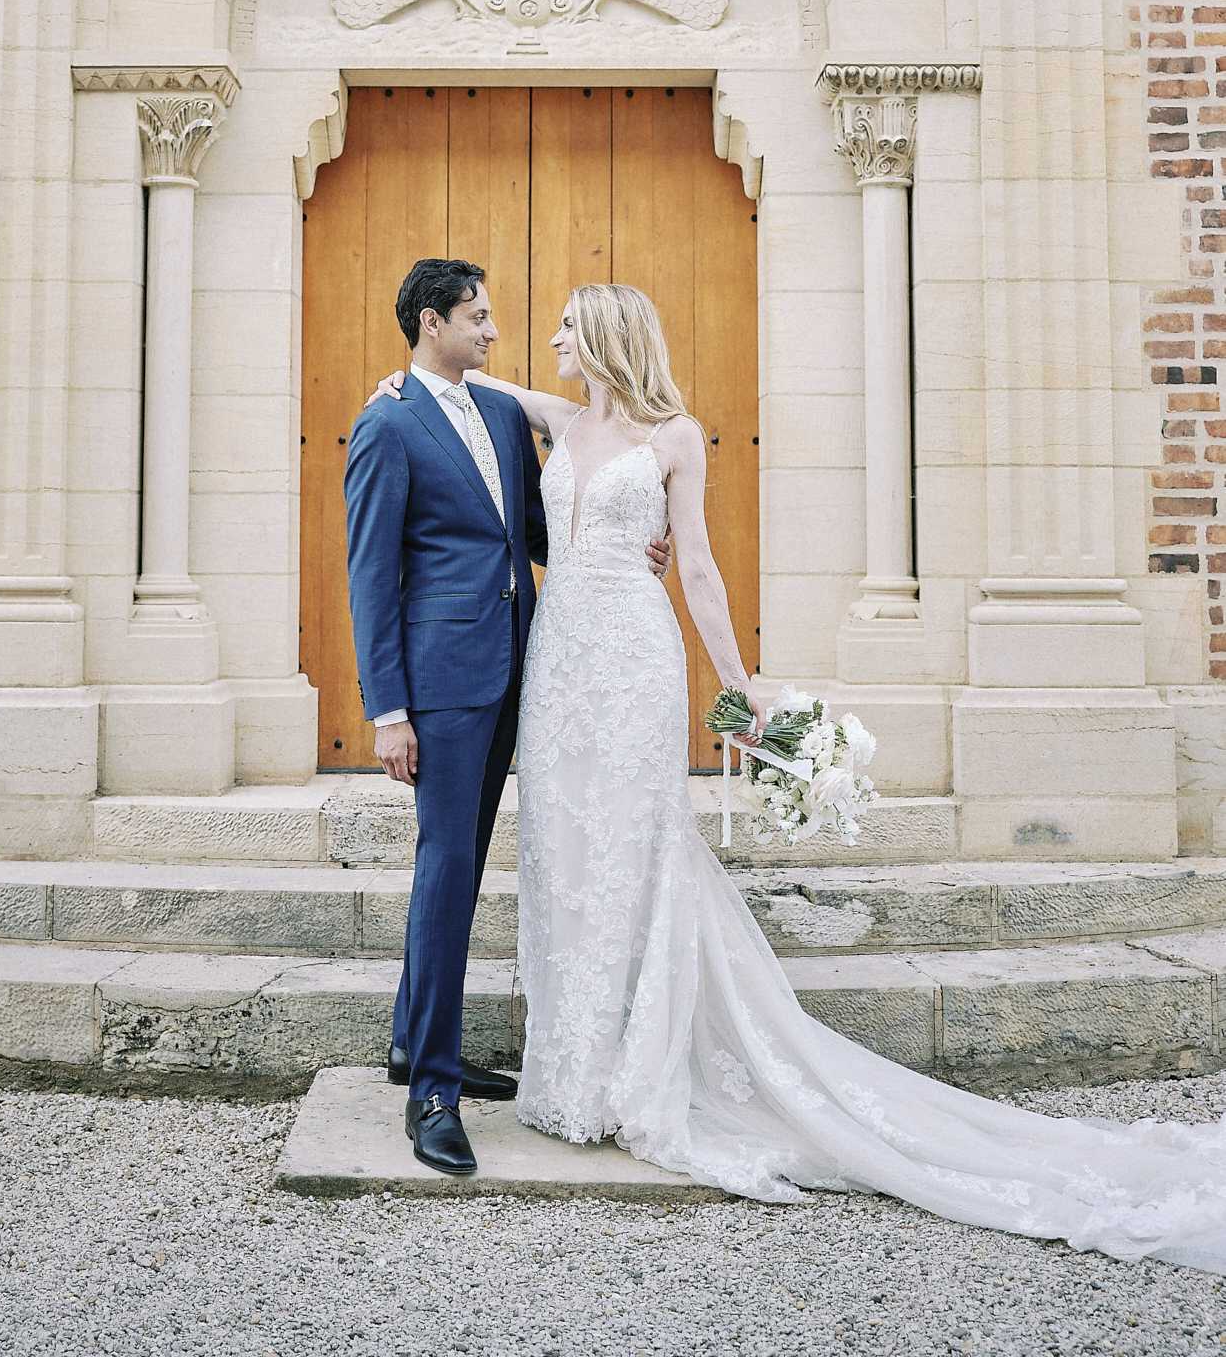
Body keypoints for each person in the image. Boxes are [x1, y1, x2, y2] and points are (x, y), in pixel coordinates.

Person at [371, 280, 1226, 1270]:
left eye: (568, 323)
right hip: (559, 667)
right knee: (567, 857)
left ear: (604, 336)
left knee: (638, 851)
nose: (547, 335)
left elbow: (693, 565)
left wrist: (740, 695)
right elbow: (466, 391)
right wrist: (399, 381)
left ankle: (638, 1072)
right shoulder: (555, 419)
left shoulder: (676, 436)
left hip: (635, 662)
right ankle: (573, 1072)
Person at [343, 259, 669, 1178]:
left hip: (517, 671)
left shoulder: (495, 413)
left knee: (462, 858)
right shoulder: (386, 423)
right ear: (433, 322)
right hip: (439, 686)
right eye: (478, 317)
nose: (492, 330)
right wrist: (388, 710)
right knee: (447, 867)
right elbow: (371, 578)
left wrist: (633, 539)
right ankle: (433, 1093)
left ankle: (414, 1039)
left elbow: (535, 532)